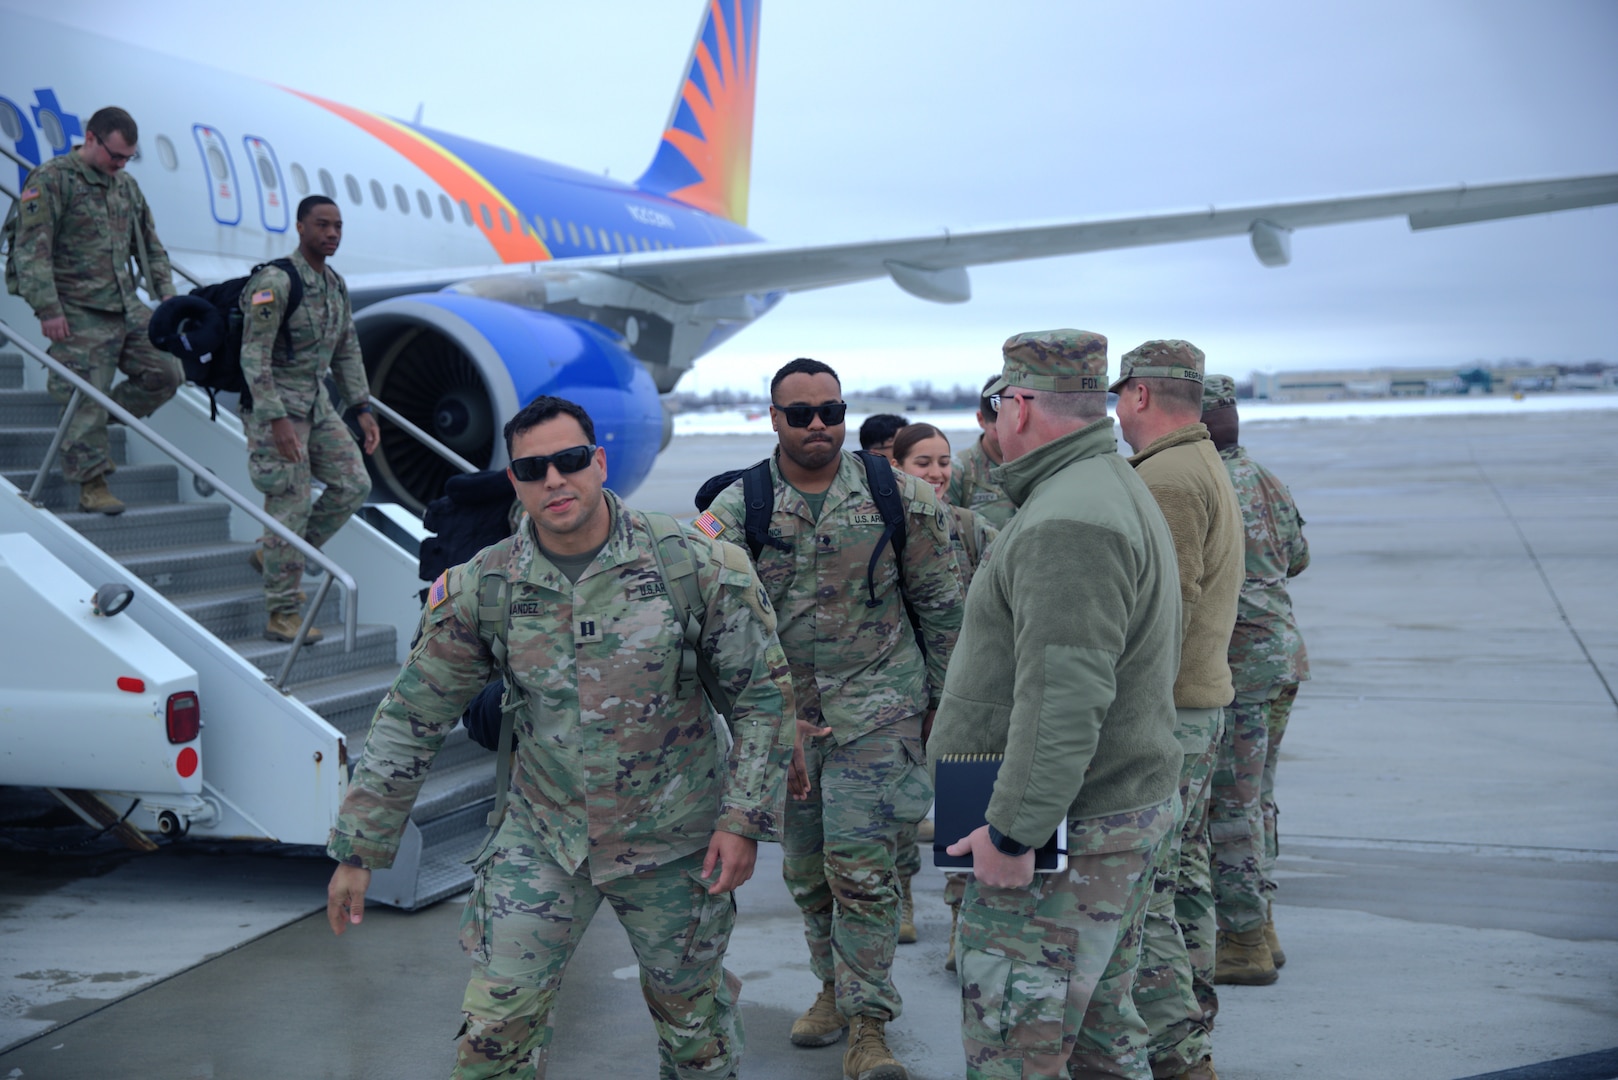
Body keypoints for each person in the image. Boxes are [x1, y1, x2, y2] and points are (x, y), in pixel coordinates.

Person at [326, 395, 800, 1080]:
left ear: (598, 462)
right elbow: (411, 717)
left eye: (570, 460)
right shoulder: (485, 586)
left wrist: (742, 821)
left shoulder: (692, 565)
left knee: (694, 1035)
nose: (555, 479)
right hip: (546, 836)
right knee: (495, 1033)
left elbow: (761, 697)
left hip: (675, 839)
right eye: (533, 468)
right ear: (514, 481)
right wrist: (359, 850)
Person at [702, 359, 963, 1080]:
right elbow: (713, 631)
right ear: (774, 419)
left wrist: (943, 709)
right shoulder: (738, 508)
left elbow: (943, 607)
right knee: (810, 874)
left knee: (863, 871)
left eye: (832, 411)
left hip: (880, 707)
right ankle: (832, 988)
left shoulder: (899, 496)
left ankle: (868, 1025)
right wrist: (763, 715)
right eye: (801, 414)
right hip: (786, 725)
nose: (818, 425)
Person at [932, 329, 1183, 1079]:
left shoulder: (1067, 520)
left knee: (1017, 1048)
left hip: (1066, 833)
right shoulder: (1097, 486)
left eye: (996, 404)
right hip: (1097, 818)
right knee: (1102, 1040)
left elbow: (1064, 699)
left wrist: (1015, 834)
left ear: (1019, 406)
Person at [1112, 341, 1244, 1080]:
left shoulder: (1165, 476)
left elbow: (1167, 610)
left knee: (1146, 892)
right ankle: (1193, 1021)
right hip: (1198, 706)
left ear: (1138, 395)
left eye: (1117, 396)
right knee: (1185, 873)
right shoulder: (1202, 462)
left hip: (1166, 713)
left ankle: (1180, 1054)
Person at [9, 105, 182, 515]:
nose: (121, 164)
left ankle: (94, 423)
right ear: (91, 138)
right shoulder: (53, 179)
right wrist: (48, 309)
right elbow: (32, 251)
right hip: (77, 308)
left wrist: (168, 297)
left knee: (167, 373)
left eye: (128, 158)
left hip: (124, 304)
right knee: (84, 394)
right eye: (115, 155)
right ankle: (92, 485)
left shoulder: (126, 187)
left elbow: (151, 246)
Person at [1200, 375, 1311, 985]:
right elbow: (1299, 557)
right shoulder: (1265, 478)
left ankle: (1244, 938)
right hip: (1280, 656)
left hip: (1241, 665)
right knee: (1257, 796)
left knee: (1230, 802)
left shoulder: (1208, 483)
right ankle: (1262, 923)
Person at [238, 194, 381, 643]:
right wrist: (276, 419)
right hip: (277, 409)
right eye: (322, 224)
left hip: (316, 405)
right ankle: (282, 612)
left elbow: (347, 350)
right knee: (290, 505)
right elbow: (254, 355)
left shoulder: (334, 285)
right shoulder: (276, 281)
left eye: (338, 226)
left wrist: (362, 407)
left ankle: (277, 554)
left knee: (354, 484)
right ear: (300, 227)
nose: (332, 233)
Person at [889, 421, 999, 961]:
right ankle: (901, 900)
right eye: (922, 463)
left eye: (943, 461)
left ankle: (962, 921)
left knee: (964, 809)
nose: (936, 473)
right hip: (893, 696)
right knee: (893, 809)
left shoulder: (972, 529)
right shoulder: (880, 530)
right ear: (896, 468)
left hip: (962, 693)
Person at [945, 375, 1015, 528]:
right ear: (980, 419)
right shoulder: (959, 472)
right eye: (998, 430)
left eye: (1015, 429)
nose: (1009, 437)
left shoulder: (1038, 464)